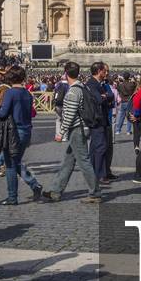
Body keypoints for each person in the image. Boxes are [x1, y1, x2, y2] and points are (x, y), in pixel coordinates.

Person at [40, 61, 101, 203]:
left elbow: (69, 115)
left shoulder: (73, 91)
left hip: (77, 129)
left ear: (66, 73)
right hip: (81, 128)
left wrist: (61, 133)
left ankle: (95, 192)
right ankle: (56, 191)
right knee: (68, 161)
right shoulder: (82, 86)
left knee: (84, 162)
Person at [0, 65, 43, 205]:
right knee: (15, 162)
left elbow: (3, 113)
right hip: (26, 130)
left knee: (10, 164)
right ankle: (34, 185)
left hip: (14, 132)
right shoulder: (27, 93)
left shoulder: (11, 93)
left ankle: (12, 197)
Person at [85, 62, 113, 182]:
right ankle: (97, 175)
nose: (106, 73)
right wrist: (105, 96)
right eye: (105, 71)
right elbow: (99, 99)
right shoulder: (92, 83)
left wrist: (105, 96)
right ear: (99, 71)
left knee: (97, 147)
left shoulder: (99, 84)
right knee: (100, 147)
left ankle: (98, 173)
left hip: (102, 118)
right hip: (96, 119)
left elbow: (109, 97)